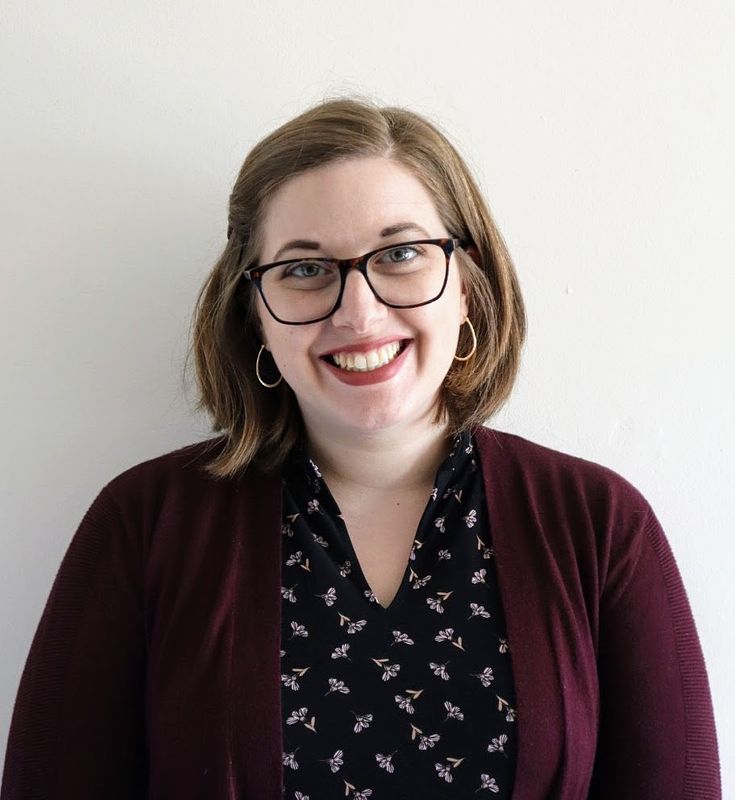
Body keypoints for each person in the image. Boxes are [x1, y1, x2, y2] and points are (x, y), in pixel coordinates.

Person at [1, 98, 720, 799]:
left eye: (401, 253)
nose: (360, 312)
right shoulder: (144, 524)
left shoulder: (596, 525)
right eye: (305, 269)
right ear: (253, 311)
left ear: (466, 281)